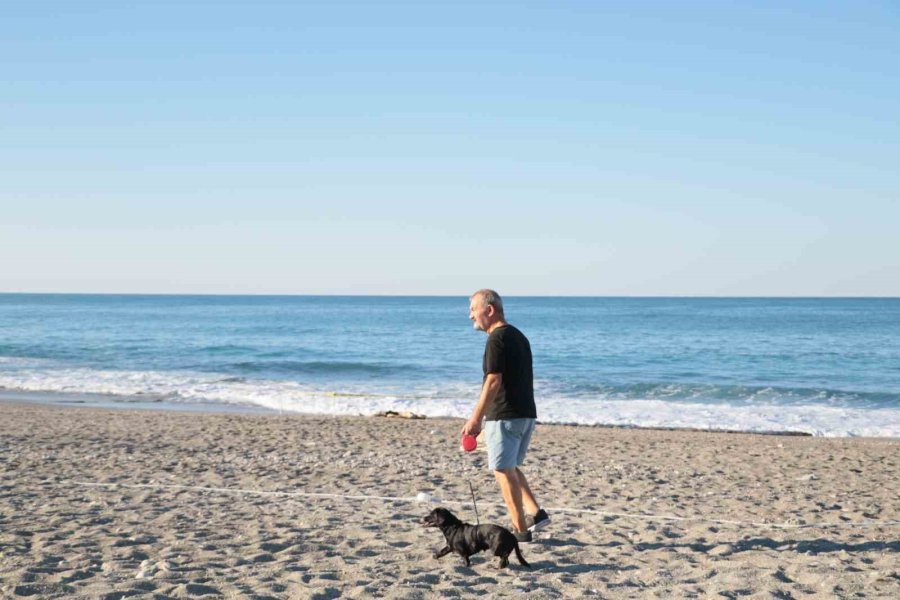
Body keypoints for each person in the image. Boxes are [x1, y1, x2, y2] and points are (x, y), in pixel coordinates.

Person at [462, 289, 550, 542]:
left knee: (502, 469)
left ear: (489, 310)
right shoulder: (518, 336)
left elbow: (493, 381)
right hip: (525, 414)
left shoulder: (496, 338)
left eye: (473, 310)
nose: (470, 316)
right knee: (508, 465)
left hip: (505, 415)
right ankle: (536, 512)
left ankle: (520, 532)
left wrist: (475, 419)